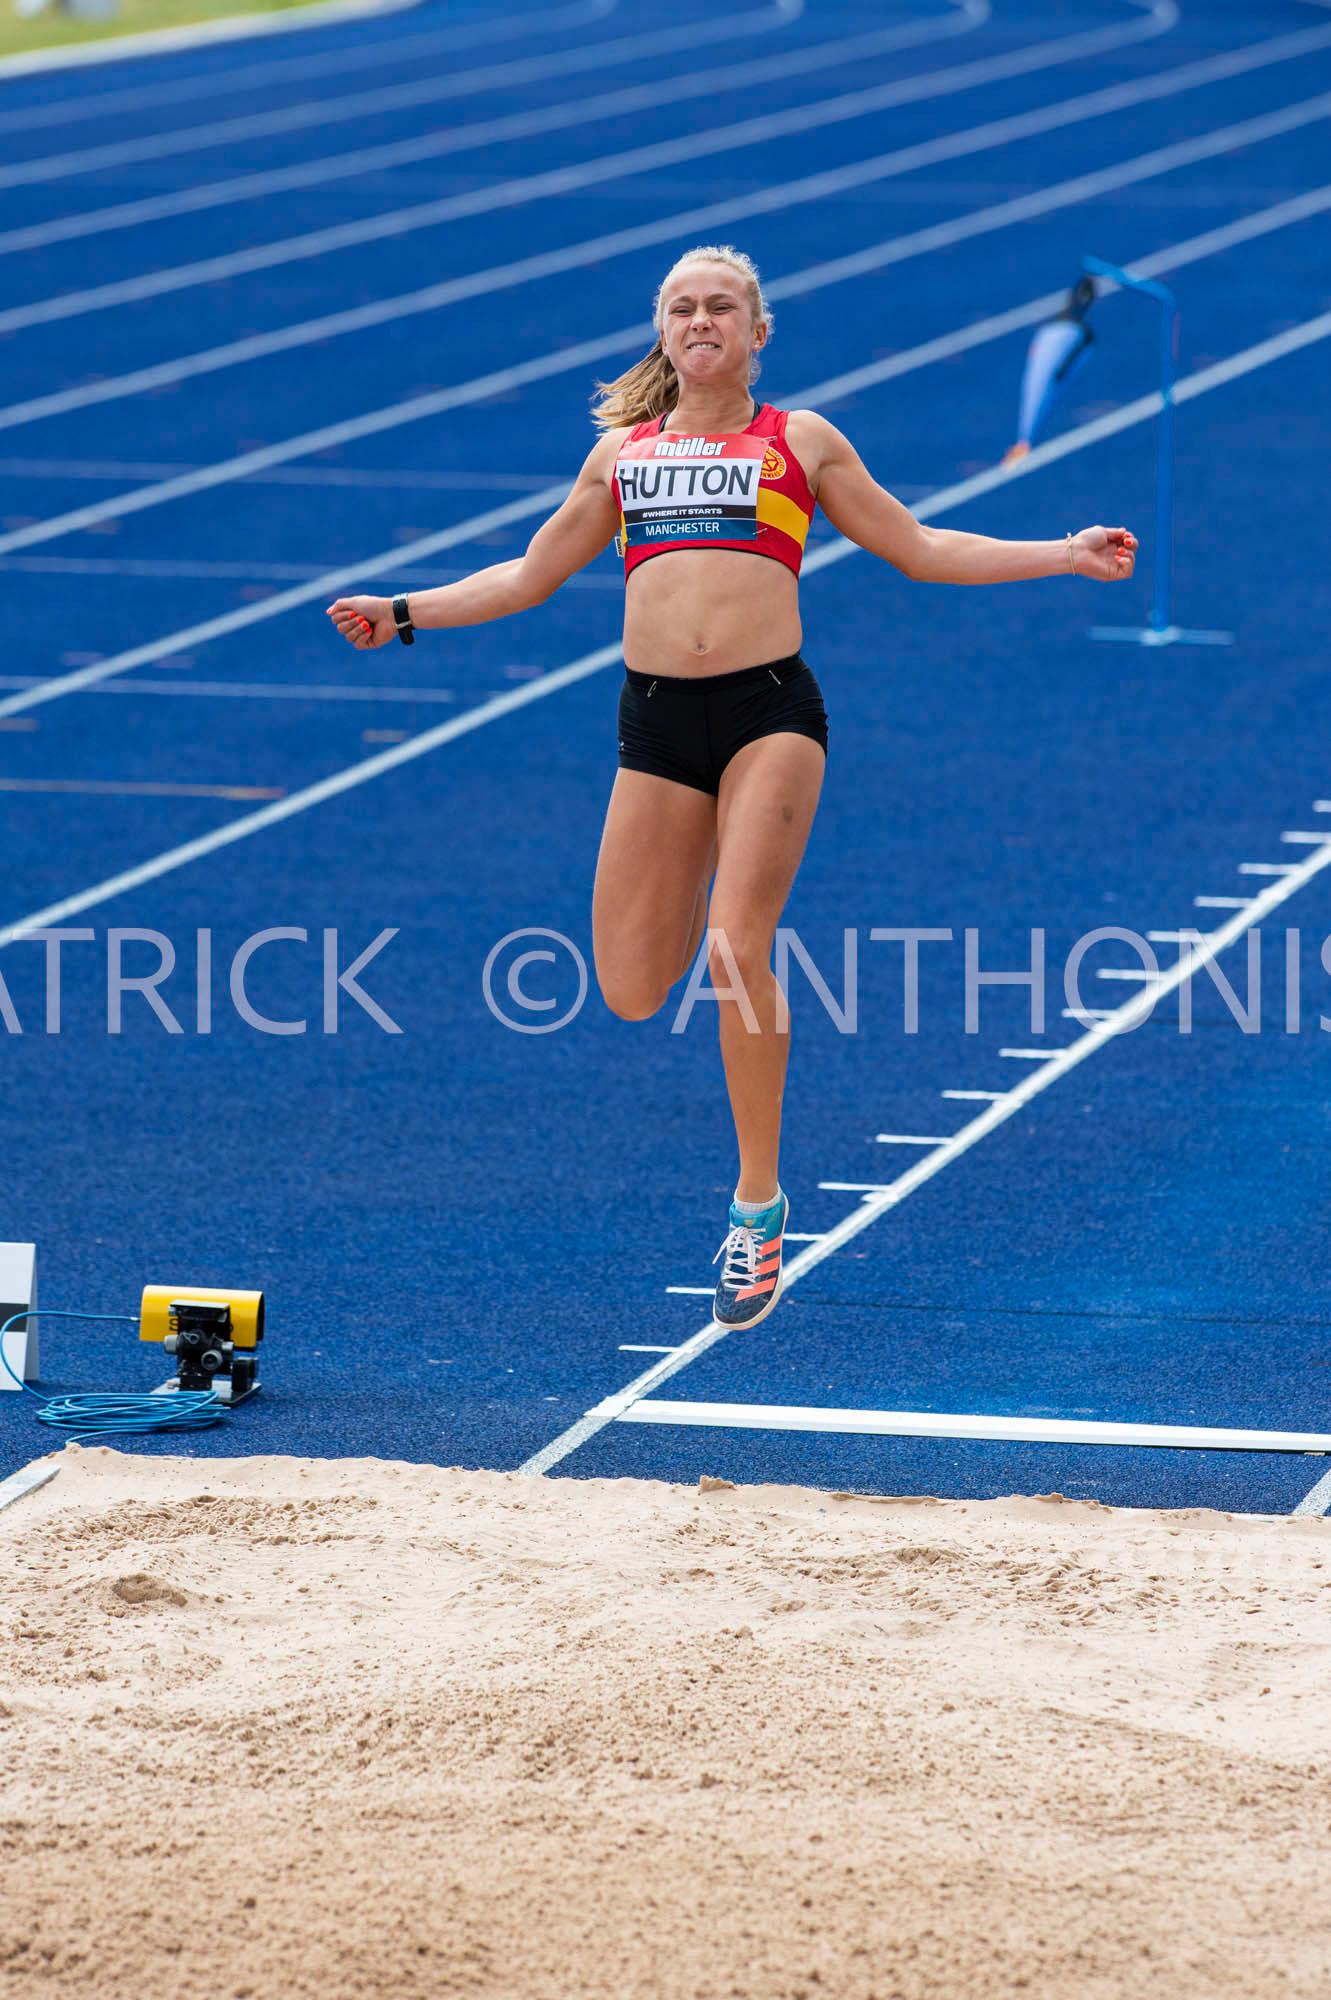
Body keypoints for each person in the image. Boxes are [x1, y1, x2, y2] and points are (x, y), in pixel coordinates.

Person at [327, 244, 1137, 1332]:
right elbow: (525, 576)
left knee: (734, 943)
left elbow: (921, 545)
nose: (700, 320)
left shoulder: (800, 441)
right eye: (681, 307)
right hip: (654, 722)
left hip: (768, 714)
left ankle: (757, 1205)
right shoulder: (620, 457)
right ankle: (743, 1159)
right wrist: (404, 607)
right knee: (626, 984)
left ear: (759, 333)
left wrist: (1061, 551)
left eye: (721, 307)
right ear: (661, 332)